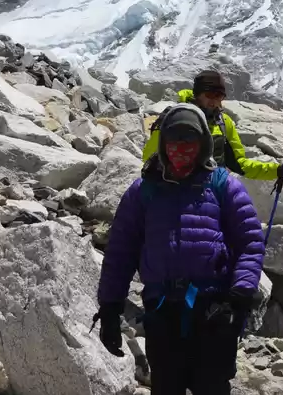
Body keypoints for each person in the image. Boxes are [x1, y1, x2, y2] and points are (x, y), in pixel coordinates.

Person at [96, 103, 265, 395]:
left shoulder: (224, 185)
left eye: (190, 140)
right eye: (174, 140)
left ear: (204, 144)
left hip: (215, 310)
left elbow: (250, 242)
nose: (181, 148)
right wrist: (110, 308)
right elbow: (120, 253)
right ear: (163, 144)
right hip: (163, 312)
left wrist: (241, 292)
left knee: (211, 387)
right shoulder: (143, 191)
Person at [143, 70, 283, 182]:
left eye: (218, 96)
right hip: (174, 188)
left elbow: (239, 164)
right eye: (209, 96)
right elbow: (149, 157)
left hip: (210, 190)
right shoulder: (174, 118)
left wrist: (275, 170)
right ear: (197, 94)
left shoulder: (223, 123)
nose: (214, 102)